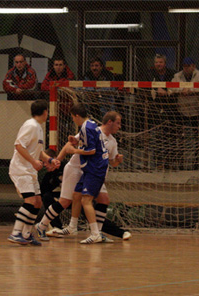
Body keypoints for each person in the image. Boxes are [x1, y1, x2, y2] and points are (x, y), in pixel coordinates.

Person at [36, 111, 131, 242]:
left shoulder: (113, 141)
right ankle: (42, 225)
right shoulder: (91, 129)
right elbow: (69, 145)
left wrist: (117, 161)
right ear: (110, 122)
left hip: (92, 172)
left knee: (103, 199)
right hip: (76, 168)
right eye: (118, 123)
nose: (120, 126)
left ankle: (95, 232)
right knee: (67, 201)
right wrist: (57, 161)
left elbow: (112, 162)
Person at [7, 100, 60, 246]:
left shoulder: (39, 128)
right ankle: (16, 233)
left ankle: (26, 234)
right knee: (30, 201)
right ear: (44, 112)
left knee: (37, 202)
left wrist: (49, 160)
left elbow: (38, 152)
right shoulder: (30, 125)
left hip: (29, 171)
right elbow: (19, 145)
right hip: (21, 169)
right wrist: (33, 161)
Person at [169, 57, 199, 170]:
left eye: (188, 66)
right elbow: (171, 88)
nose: (186, 68)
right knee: (181, 138)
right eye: (184, 66)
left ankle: (197, 164)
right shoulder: (177, 76)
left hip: (198, 112)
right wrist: (182, 90)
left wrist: (191, 90)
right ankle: (181, 163)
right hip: (183, 111)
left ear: (193, 66)